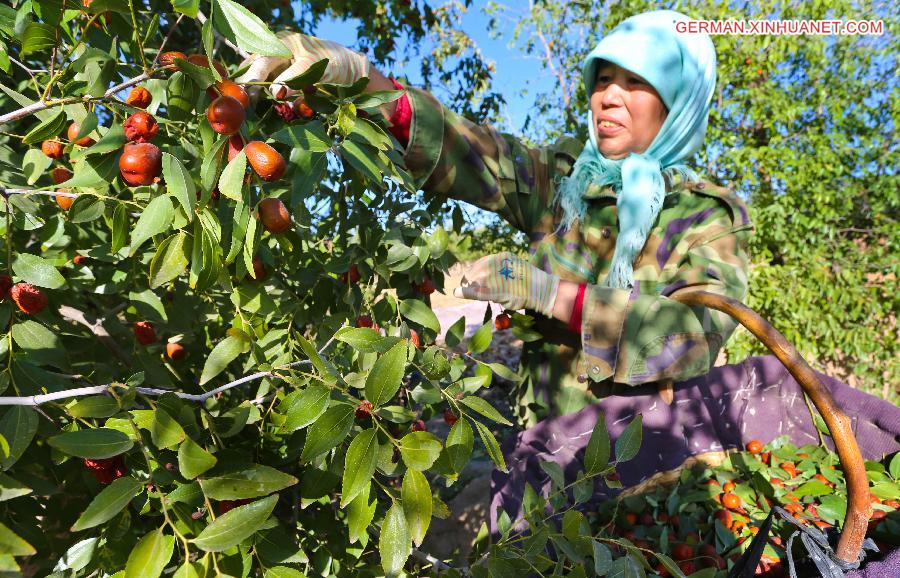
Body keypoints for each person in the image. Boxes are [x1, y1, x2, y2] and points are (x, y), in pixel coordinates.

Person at [242, 9, 900, 532]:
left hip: (651, 466)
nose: (609, 98)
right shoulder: (563, 179)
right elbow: (474, 151)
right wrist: (357, 80)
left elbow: (691, 335)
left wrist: (554, 295)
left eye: (636, 83)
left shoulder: (707, 215)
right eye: (602, 81)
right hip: (546, 458)